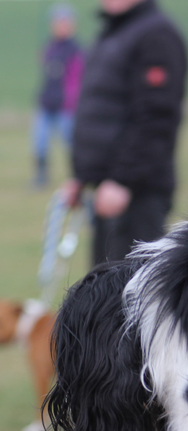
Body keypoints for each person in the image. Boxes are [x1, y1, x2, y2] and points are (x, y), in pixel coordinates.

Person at [66, 0, 186, 265]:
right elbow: (101, 110)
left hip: (136, 192)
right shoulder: (115, 33)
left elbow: (156, 118)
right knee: (103, 290)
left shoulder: (156, 36)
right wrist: (83, 176)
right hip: (106, 189)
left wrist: (123, 180)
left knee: (129, 293)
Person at [32, 4, 82, 189]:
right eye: (57, 21)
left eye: (65, 21)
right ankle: (40, 178)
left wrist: (72, 102)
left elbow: (76, 80)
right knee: (40, 143)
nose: (61, 25)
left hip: (65, 107)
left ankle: (78, 177)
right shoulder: (50, 47)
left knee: (71, 144)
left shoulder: (75, 50)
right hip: (46, 104)